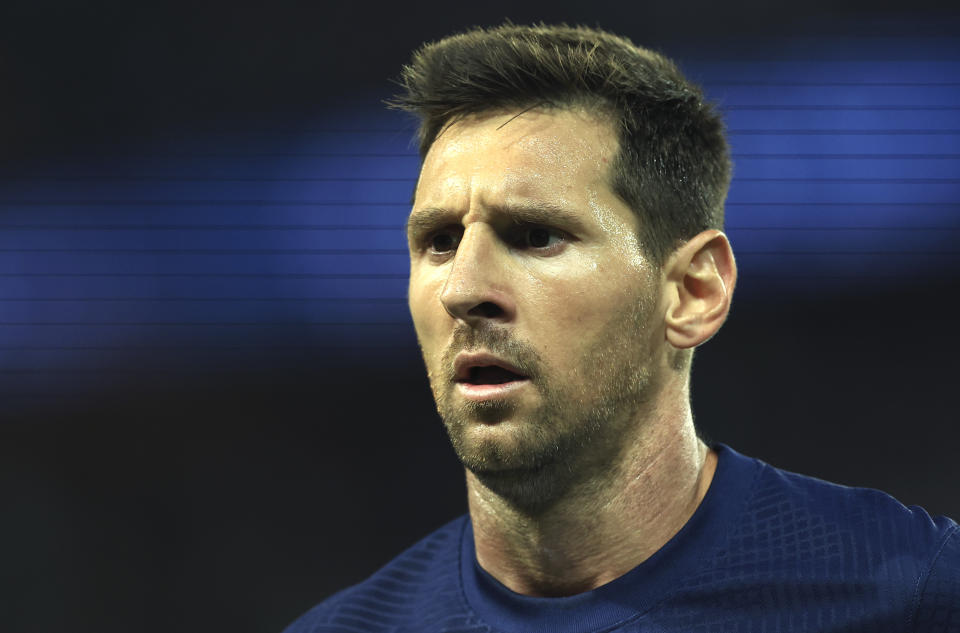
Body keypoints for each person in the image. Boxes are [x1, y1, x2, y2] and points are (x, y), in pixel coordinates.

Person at [283, 23, 960, 632]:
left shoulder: (910, 593)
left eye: (535, 235)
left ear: (693, 291)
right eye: (438, 241)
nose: (464, 289)